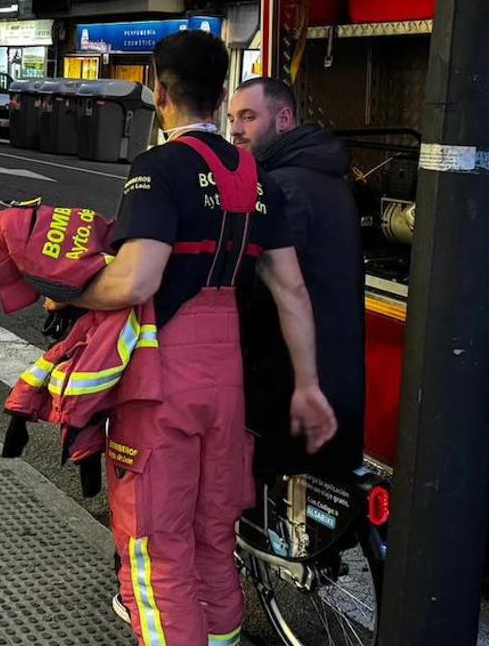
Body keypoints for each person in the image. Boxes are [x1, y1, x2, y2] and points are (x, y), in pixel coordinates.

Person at [58, 32, 336, 646]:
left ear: (161, 93)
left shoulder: (160, 169)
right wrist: (309, 387)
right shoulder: (257, 178)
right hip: (226, 376)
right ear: (218, 97)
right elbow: (292, 290)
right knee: (213, 537)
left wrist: (66, 291)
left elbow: (136, 280)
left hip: (164, 381)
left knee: (156, 547)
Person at [228, 77, 365, 476]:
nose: (235, 129)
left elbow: (258, 287)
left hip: (289, 382)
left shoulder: (283, 186)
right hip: (331, 374)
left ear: (284, 119)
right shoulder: (321, 175)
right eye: (233, 118)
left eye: (249, 117)